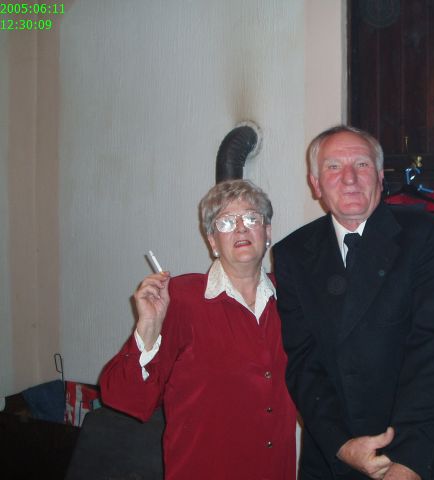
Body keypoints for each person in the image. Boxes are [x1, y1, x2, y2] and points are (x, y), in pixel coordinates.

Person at [273, 126, 434, 480]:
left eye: (361, 164)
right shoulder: (292, 253)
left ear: (379, 177)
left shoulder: (426, 236)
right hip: (334, 456)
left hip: (417, 450)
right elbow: (303, 362)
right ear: (315, 184)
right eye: (333, 167)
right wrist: (341, 444)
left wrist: (407, 460)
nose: (349, 178)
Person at [100, 179, 297, 480]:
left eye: (251, 218)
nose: (240, 228)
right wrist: (148, 326)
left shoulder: (291, 299)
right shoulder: (180, 298)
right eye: (226, 222)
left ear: (267, 232)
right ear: (212, 242)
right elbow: (126, 398)